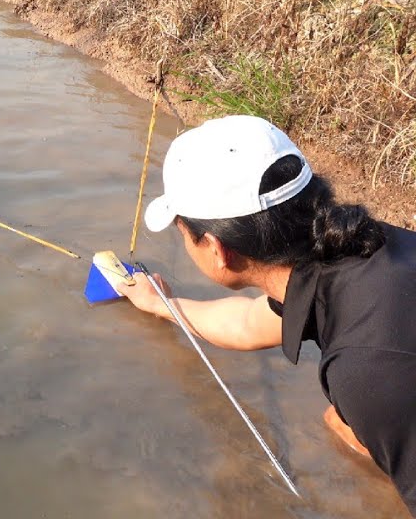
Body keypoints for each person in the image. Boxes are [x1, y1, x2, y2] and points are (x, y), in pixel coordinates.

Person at [118, 114, 416, 513]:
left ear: (217, 249)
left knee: (350, 418)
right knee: (343, 423)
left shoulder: (365, 369)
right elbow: (246, 324)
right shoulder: (364, 246)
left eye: (182, 232)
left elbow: (382, 374)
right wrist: (159, 304)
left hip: (388, 387)